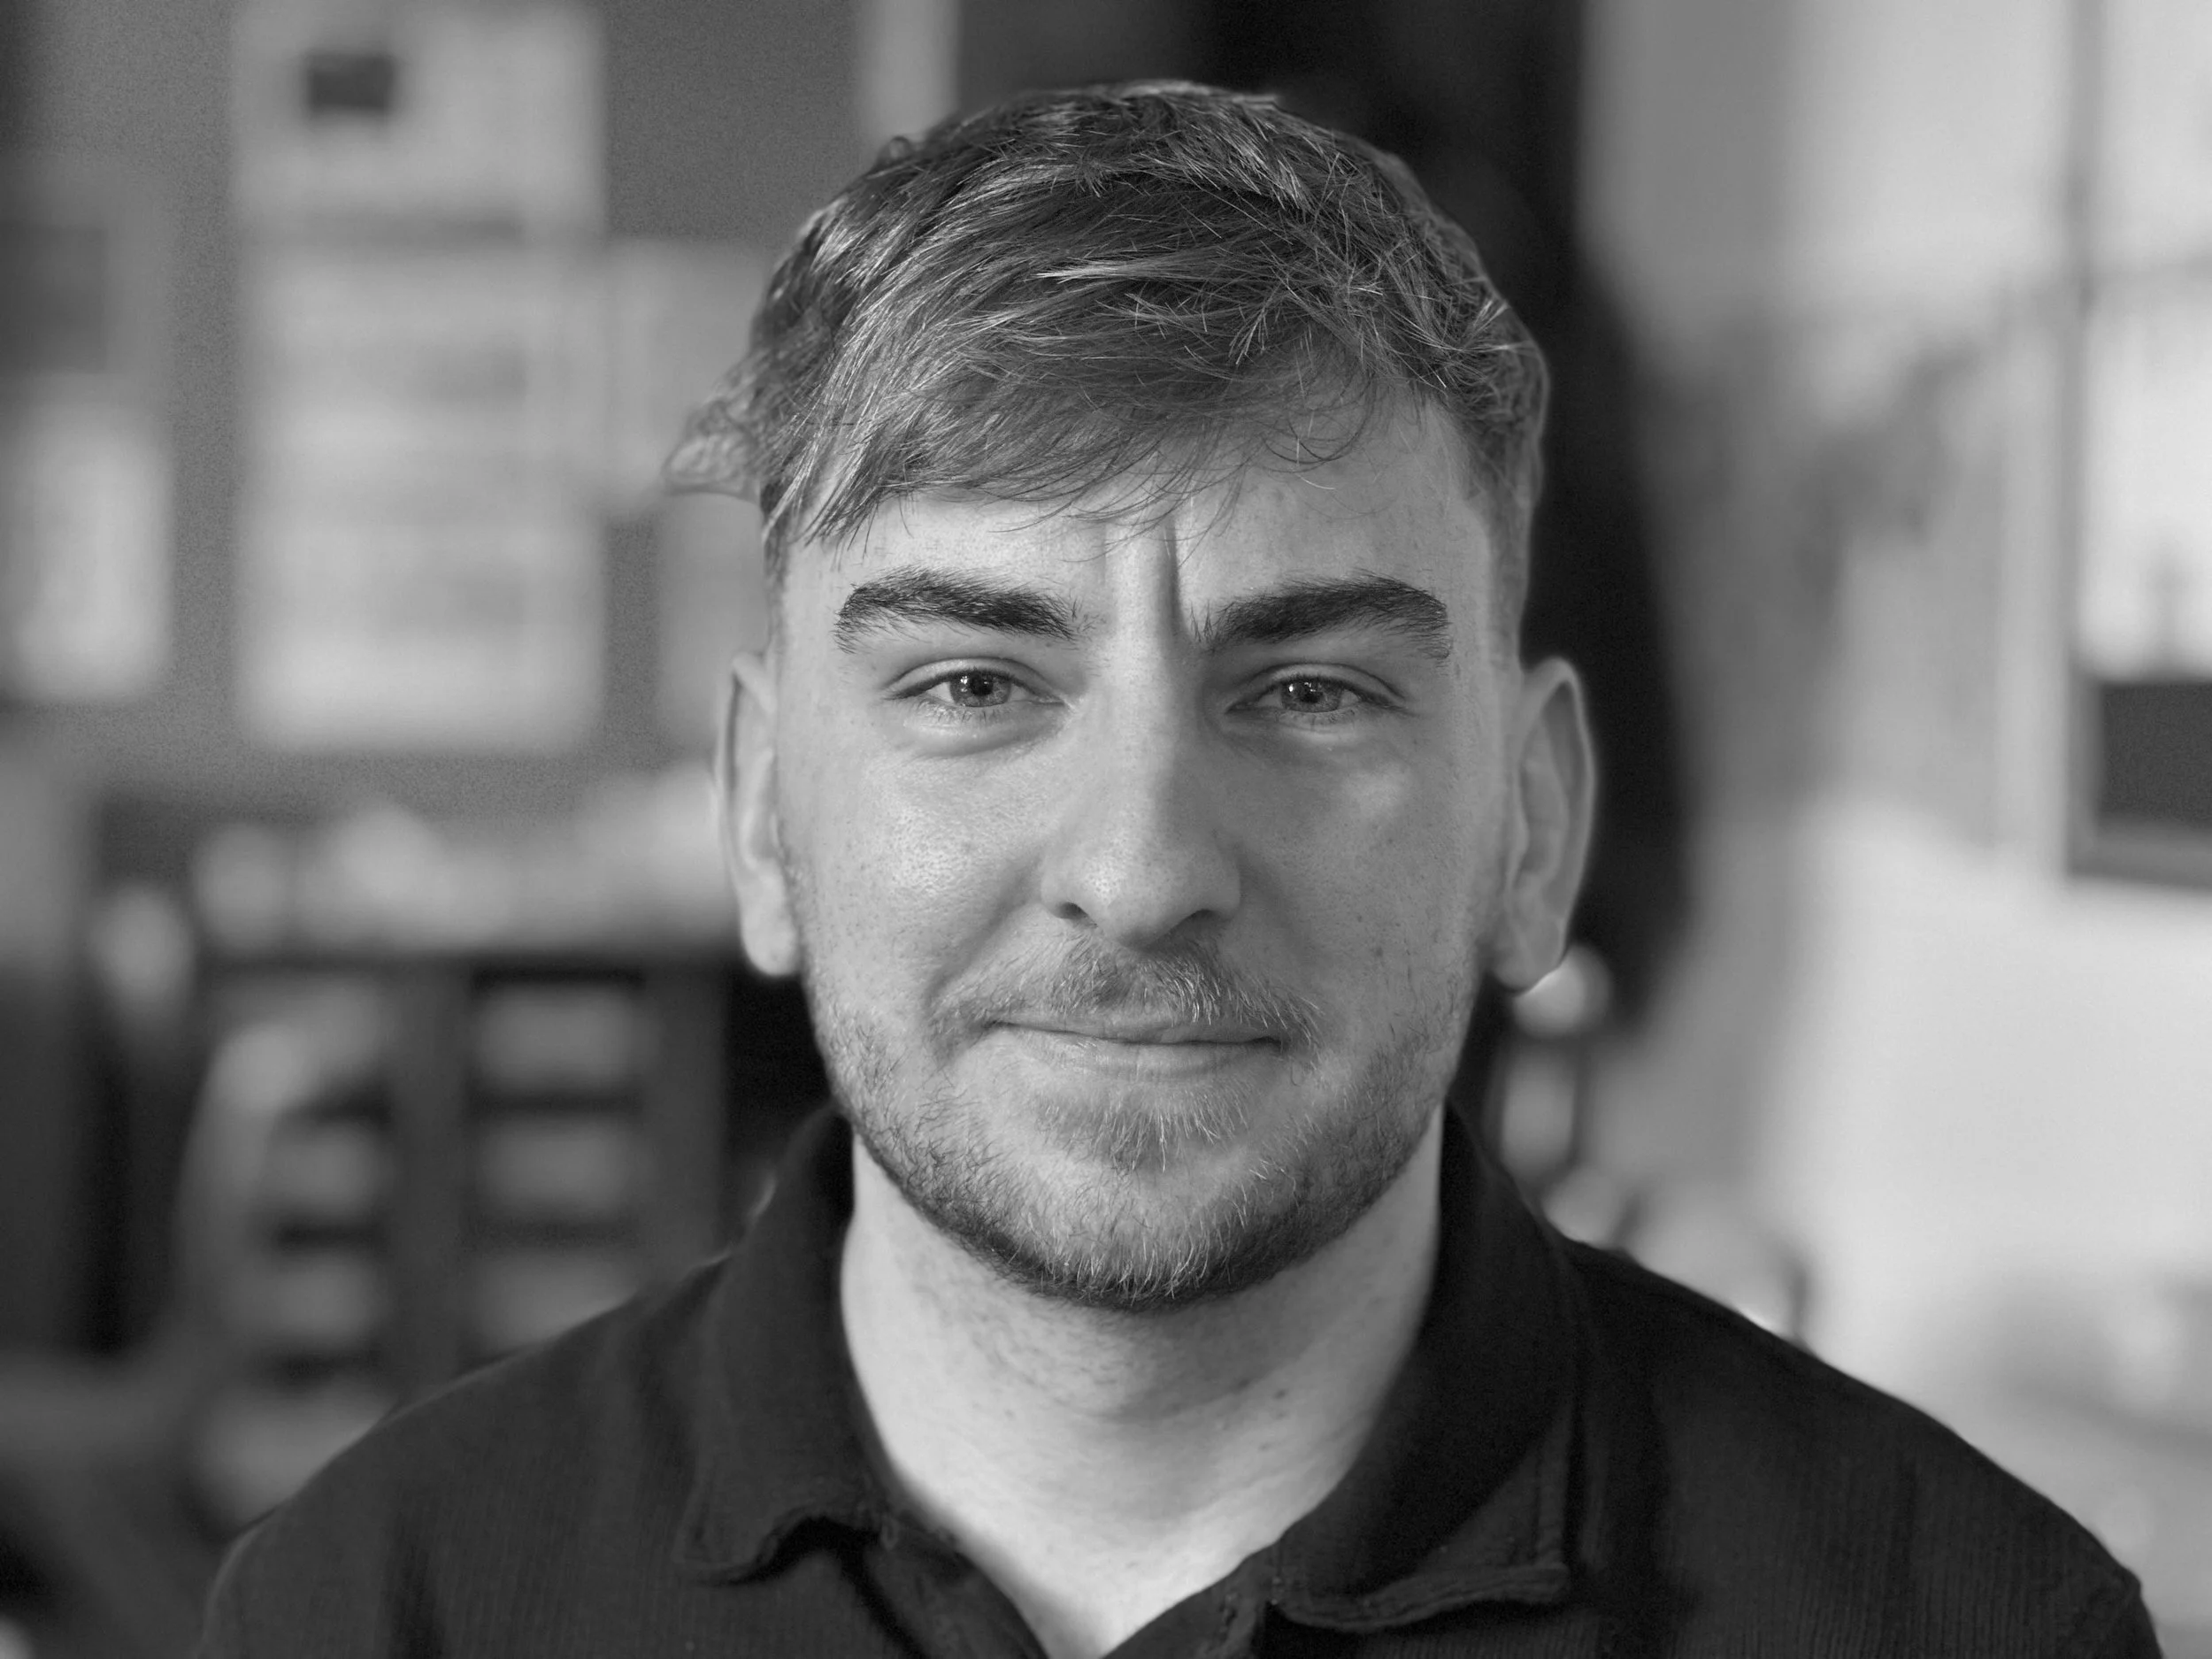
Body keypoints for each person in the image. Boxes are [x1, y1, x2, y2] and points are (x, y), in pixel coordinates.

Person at [196, 82, 2160, 1658]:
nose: (1139, 872)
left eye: (1306, 690)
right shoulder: (377, 1607)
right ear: (762, 813)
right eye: (972, 681)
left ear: (1533, 825)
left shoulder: (1958, 1620)